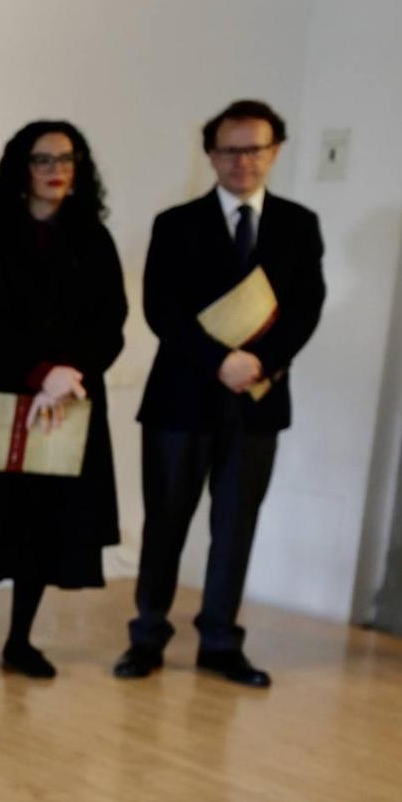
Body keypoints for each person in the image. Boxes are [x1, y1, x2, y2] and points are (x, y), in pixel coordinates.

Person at [116, 100, 326, 688]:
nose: (244, 161)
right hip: (181, 400)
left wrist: (258, 361)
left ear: (276, 151)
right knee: (167, 521)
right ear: (210, 154)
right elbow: (163, 310)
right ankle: (148, 636)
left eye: (256, 148)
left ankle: (220, 640)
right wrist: (221, 361)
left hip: (258, 401)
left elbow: (307, 308)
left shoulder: (299, 224)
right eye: (231, 149)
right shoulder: (175, 223)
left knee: (236, 524)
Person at [0, 122, 128, 677]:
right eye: (42, 160)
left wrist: (70, 374)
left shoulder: (94, 237)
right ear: (22, 167)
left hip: (67, 399)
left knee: (45, 522)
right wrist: (42, 372)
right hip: (0, 390)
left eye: (66, 159)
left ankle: (21, 640)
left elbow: (111, 323)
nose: (55, 170)